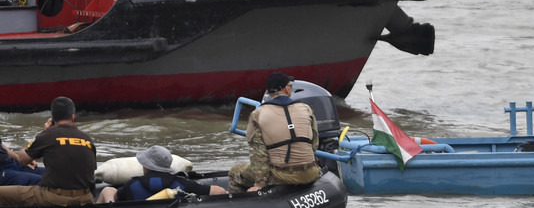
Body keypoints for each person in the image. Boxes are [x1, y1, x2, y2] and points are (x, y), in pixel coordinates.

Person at [228, 72, 320, 193]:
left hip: (281, 176)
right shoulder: (306, 108)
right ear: (287, 89)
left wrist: (260, 184)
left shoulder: (258, 114)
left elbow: (259, 154)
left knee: (234, 173)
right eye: (290, 86)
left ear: (269, 92)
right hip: (311, 172)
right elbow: (314, 144)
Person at [0, 97, 96, 206]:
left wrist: (43, 133)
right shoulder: (87, 138)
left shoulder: (47, 135)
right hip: (86, 197)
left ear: (52, 118)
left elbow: (22, 160)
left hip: (54, 198)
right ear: (73, 117)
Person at [96, 146, 226, 203]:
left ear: (145, 166)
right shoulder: (183, 184)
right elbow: (219, 192)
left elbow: (116, 197)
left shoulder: (131, 185)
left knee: (108, 190)